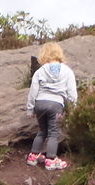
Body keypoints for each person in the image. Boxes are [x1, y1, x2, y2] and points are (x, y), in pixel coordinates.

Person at [26, 42, 78, 170]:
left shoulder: (40, 71)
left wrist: (30, 108)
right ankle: (51, 160)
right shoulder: (67, 71)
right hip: (56, 104)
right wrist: (73, 108)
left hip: (40, 103)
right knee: (53, 133)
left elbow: (33, 91)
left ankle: (33, 156)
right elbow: (72, 92)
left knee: (42, 131)